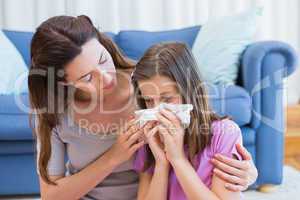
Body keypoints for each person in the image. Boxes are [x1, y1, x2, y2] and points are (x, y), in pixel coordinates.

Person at [28, 15, 257, 199]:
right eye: (87, 78)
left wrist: (247, 172)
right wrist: (113, 157)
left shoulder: (147, 81)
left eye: (102, 60)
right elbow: (51, 195)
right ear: (62, 82)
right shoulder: (52, 112)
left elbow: (203, 121)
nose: (106, 78)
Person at [132, 42, 248, 200]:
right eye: (149, 101)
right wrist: (161, 163)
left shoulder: (224, 134)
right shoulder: (149, 139)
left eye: (167, 98)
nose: (158, 110)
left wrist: (177, 159)